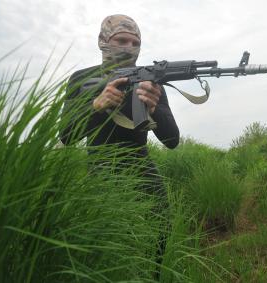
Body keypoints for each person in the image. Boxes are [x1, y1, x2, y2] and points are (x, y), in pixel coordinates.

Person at [59, 14, 179, 277]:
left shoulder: (150, 80)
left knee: (161, 226)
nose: (129, 47)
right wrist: (95, 105)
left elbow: (172, 141)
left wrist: (154, 105)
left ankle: (153, 275)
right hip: (99, 168)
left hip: (139, 164)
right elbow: (66, 136)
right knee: (103, 241)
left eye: (135, 42)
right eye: (121, 40)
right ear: (103, 41)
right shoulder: (82, 79)